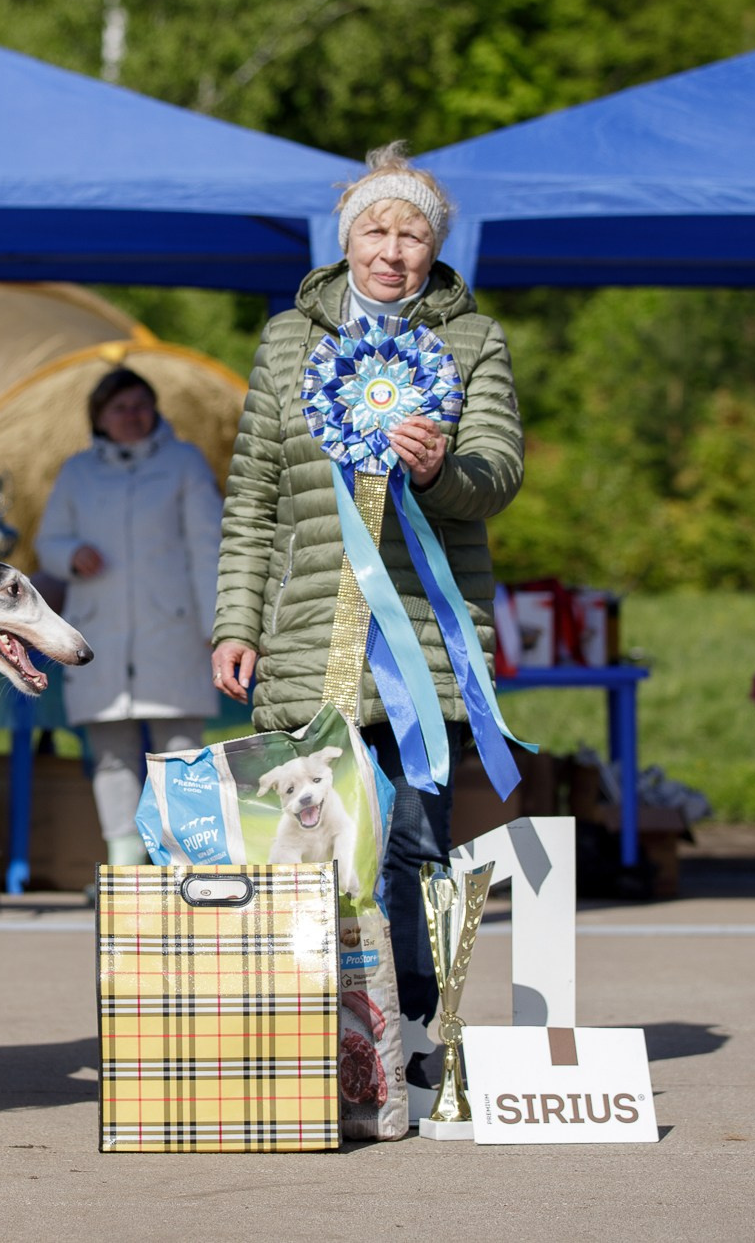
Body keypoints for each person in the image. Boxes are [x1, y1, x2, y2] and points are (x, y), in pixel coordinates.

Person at [210, 143, 523, 1086]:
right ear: (345, 239)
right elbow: (254, 496)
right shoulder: (286, 340)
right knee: (310, 850)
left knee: (416, 845)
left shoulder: (473, 339)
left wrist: (441, 471)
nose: (392, 250)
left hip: (425, 636)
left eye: (412, 234)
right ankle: (312, 1047)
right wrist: (236, 622)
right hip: (311, 636)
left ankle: (419, 1043)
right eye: (375, 230)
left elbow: (499, 472)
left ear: (436, 247)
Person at [34, 368, 223, 868]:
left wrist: (217, 626)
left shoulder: (184, 461)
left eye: (141, 405)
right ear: (99, 417)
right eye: (119, 408)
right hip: (101, 633)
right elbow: (48, 543)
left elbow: (208, 545)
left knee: (181, 752)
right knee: (110, 754)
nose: (132, 416)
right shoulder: (77, 471)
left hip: (174, 630)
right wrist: (71, 554)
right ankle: (124, 866)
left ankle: (187, 865)